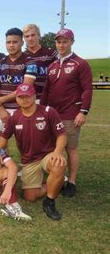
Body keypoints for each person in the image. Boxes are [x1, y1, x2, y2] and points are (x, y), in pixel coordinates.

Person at [0, 84, 67, 221]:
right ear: (16, 99)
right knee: (30, 197)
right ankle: (59, 182)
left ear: (34, 96)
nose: (24, 99)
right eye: (20, 97)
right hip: (29, 160)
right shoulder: (14, 117)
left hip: (48, 155)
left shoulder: (48, 111)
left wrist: (58, 151)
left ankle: (50, 202)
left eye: (27, 96)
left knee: (58, 164)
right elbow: (3, 137)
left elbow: (62, 135)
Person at [41, 28, 93, 197]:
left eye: (65, 41)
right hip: (53, 115)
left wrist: (83, 112)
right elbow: (46, 92)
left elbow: (87, 89)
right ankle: (58, 178)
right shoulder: (52, 65)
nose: (61, 45)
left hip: (71, 114)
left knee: (70, 149)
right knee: (54, 149)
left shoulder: (81, 63)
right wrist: (42, 110)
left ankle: (71, 181)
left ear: (72, 42)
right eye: (58, 41)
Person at [0, 27, 37, 141]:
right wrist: (1, 109)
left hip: (22, 109)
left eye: (15, 42)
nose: (11, 45)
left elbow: (24, 90)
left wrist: (0, 100)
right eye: (8, 42)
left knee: (26, 145)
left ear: (22, 42)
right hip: (0, 110)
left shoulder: (30, 62)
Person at [23, 24, 57, 103]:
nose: (30, 38)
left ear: (39, 36)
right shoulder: (22, 56)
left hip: (49, 97)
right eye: (27, 36)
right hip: (29, 98)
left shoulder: (51, 53)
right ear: (24, 38)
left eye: (33, 35)